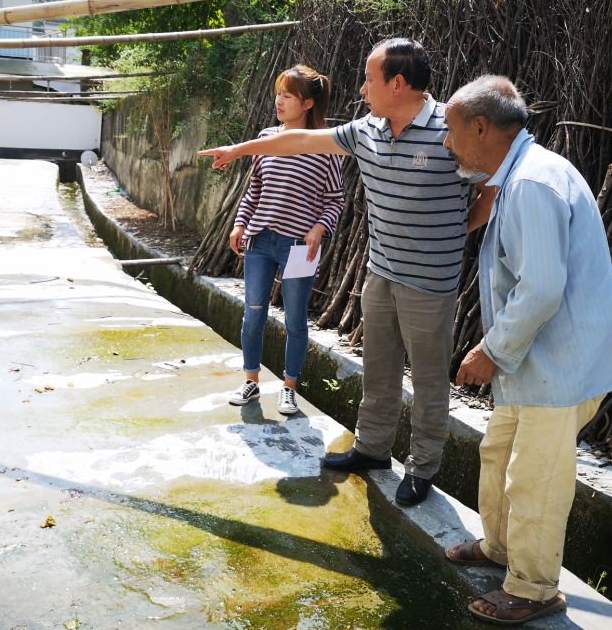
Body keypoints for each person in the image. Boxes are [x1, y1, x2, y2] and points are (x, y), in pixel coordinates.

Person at [201, 39, 495, 507]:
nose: (361, 89)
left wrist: (459, 229)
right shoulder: (367, 129)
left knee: (427, 380)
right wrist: (240, 149)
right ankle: (372, 449)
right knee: (378, 368)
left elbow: (491, 182)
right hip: (380, 273)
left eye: (369, 79)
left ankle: (421, 469)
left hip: (430, 282)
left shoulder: (449, 129)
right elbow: (298, 139)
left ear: (398, 84)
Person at [443, 75, 612, 625]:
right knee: (498, 454)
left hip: (559, 366)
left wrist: (491, 351)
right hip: (537, 364)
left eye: (452, 132)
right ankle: (500, 549)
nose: (448, 145)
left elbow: (542, 286)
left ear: (481, 127)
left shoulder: (530, 183)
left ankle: (533, 588)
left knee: (537, 478)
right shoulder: (520, 174)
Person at [223, 64, 344, 416]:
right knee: (253, 313)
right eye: (278, 93)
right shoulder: (264, 137)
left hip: (299, 248)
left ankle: (290, 387)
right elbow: (254, 189)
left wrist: (320, 227)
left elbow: (335, 199)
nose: (278, 100)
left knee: (294, 320)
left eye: (287, 95)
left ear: (307, 104)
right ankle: (251, 380)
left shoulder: (326, 146)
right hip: (260, 240)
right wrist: (240, 223)